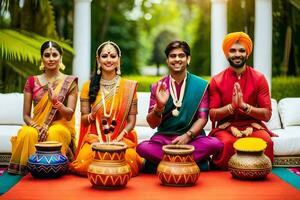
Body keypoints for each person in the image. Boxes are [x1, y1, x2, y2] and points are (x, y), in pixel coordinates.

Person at [136, 40, 223, 172]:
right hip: (165, 140)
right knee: (142, 147)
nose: (177, 59)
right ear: (167, 60)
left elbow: (203, 118)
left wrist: (187, 136)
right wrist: (159, 106)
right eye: (173, 56)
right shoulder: (158, 87)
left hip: (192, 139)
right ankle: (192, 163)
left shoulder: (201, 85)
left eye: (181, 55)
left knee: (216, 144)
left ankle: (162, 163)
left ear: (188, 59)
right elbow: (153, 124)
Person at [69, 41, 143, 177]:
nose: (109, 60)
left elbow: (132, 121)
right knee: (84, 163)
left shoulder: (129, 87)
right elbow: (84, 121)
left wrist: (119, 138)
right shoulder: (87, 87)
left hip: (121, 140)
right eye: (104, 56)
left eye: (113, 56)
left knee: (129, 158)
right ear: (98, 60)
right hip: (95, 140)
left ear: (118, 60)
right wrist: (91, 115)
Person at [8, 41, 78, 175]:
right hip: (37, 125)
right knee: (27, 133)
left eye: (54, 55)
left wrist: (56, 102)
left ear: (60, 57)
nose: (51, 59)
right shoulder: (32, 81)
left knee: (55, 132)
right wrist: (36, 126)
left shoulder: (69, 82)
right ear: (42, 58)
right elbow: (26, 115)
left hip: (60, 126)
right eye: (47, 55)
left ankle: (53, 169)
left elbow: (69, 114)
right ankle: (29, 172)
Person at [209, 32, 276, 170]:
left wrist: (245, 107)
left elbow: (267, 114)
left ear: (247, 53)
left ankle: (256, 171)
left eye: (241, 50)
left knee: (266, 142)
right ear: (227, 54)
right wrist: (232, 107)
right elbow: (212, 114)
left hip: (253, 126)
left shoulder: (259, 78)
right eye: (232, 50)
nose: (237, 54)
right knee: (227, 144)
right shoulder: (217, 80)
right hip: (226, 127)